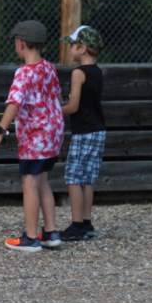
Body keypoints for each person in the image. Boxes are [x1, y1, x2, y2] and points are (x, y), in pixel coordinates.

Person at [0, 19, 65, 252]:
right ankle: (50, 232)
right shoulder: (49, 67)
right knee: (43, 180)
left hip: (36, 136)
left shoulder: (24, 72)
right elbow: (57, 98)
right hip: (54, 133)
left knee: (29, 183)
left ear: (20, 43)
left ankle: (31, 237)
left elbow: (14, 103)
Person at [59, 25, 106, 241]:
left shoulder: (78, 73)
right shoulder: (97, 72)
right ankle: (87, 223)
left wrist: (54, 112)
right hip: (98, 130)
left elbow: (74, 106)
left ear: (83, 48)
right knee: (88, 178)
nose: (69, 49)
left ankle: (76, 224)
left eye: (72, 45)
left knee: (73, 176)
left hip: (83, 131)